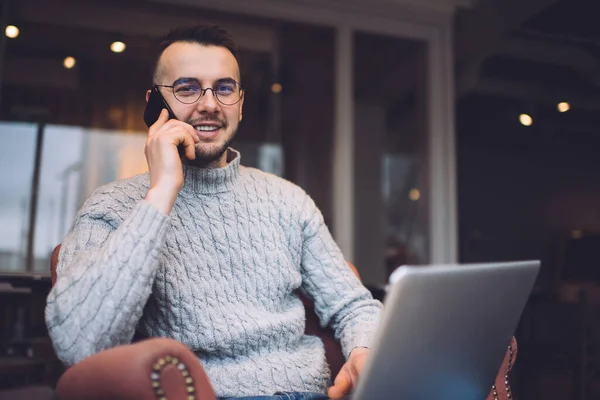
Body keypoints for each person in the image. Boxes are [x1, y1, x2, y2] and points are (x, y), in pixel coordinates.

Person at [45, 25, 382, 400]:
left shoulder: (289, 200)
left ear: (239, 101)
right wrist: (161, 194)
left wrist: (363, 349)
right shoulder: (111, 205)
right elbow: (79, 343)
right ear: (154, 104)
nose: (209, 104)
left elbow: (353, 305)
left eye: (224, 88)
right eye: (187, 88)